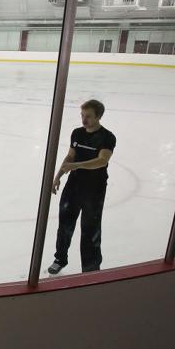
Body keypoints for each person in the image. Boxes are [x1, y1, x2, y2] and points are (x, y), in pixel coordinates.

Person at [48, 99, 116, 275]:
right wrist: (58, 176)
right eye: (82, 115)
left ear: (98, 116)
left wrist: (77, 166)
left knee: (90, 228)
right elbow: (70, 156)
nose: (84, 120)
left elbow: (102, 161)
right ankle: (59, 259)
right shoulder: (77, 133)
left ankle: (91, 267)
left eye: (88, 116)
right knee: (64, 225)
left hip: (94, 190)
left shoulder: (107, 137)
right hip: (73, 186)